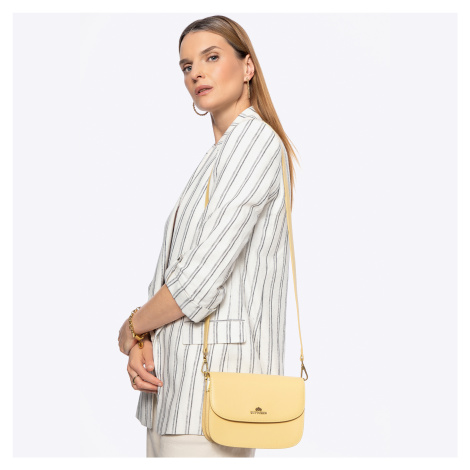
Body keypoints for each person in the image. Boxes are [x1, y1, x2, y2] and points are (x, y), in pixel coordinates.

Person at [117, 14, 299, 458]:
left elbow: (197, 282)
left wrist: (132, 327)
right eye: (187, 66)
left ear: (247, 66)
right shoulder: (219, 155)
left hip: (214, 398)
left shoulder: (254, 143)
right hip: (173, 393)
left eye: (211, 57)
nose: (196, 72)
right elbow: (181, 274)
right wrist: (144, 343)